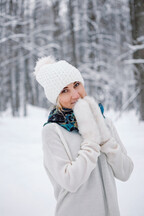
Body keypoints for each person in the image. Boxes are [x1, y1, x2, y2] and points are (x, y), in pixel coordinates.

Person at [33, 56, 134, 216]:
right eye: (64, 90)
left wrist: (106, 140)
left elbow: (125, 171)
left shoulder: (104, 122)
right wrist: (92, 140)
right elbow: (70, 181)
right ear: (56, 97)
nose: (75, 95)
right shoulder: (53, 131)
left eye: (76, 85)